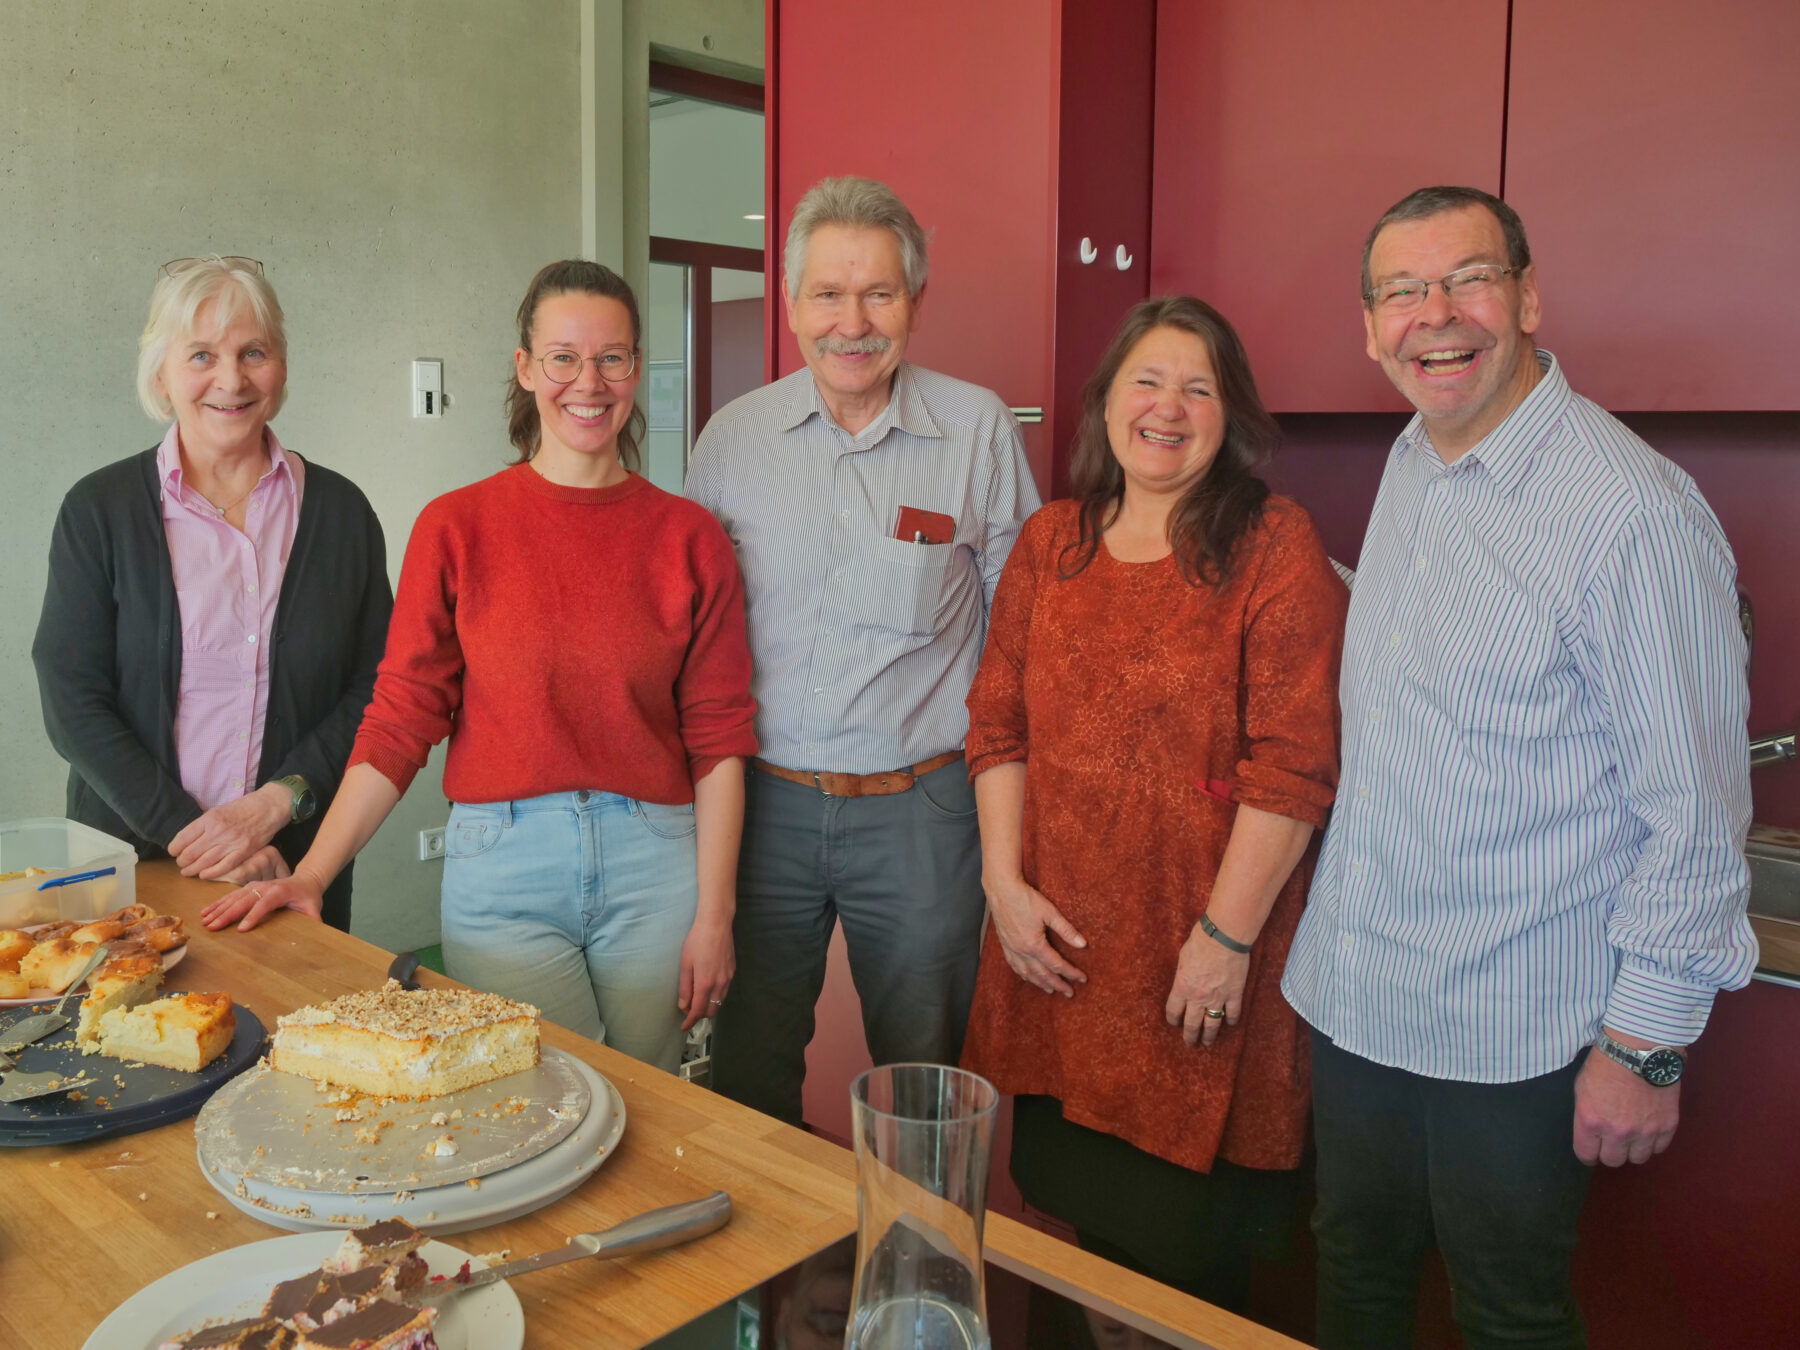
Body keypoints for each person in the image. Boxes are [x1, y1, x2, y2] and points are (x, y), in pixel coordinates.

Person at [1283, 186, 1757, 1349]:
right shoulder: (1414, 457)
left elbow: (1695, 816)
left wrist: (1645, 1045)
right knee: (1352, 1285)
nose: (1435, 315)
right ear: (1369, 326)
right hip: (1357, 1002)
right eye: (1402, 291)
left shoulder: (1630, 515)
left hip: (1512, 1034)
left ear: (1530, 297)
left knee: (1510, 1320)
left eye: (1468, 279)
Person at [203, 260, 758, 1074]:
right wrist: (313, 871)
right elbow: (401, 716)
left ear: (637, 368)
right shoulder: (457, 526)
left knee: (654, 1097)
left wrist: (717, 911)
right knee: (532, 1098)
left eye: (613, 358)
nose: (589, 382)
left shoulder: (688, 537)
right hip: (503, 866)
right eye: (563, 356)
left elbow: (719, 736)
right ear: (526, 367)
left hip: (657, 863)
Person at [957, 295, 1346, 1311]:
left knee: (1191, 1276)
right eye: (1147, 379)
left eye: (1198, 386)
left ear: (1231, 415)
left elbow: (1294, 766)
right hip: (1059, 967)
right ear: (1106, 402)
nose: (1168, 407)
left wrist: (1225, 937)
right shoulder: (1052, 543)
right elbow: (997, 727)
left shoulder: (1274, 546)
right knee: (1079, 1254)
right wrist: (1002, 886)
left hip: (1197, 980)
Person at [684, 176, 1041, 1125]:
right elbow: (692, 635)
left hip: (924, 812)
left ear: (915, 304)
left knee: (926, 1085)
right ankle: (763, 1275)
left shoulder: (975, 429)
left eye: (879, 294)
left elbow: (1025, 625)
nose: (854, 322)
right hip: (767, 810)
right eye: (828, 295)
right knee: (749, 1073)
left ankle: (917, 1268)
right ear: (792, 304)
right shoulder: (731, 442)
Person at [33, 256, 392, 931]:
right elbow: (72, 701)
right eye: (202, 355)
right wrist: (200, 837)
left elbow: (377, 685)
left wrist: (278, 804)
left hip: (286, 874)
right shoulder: (98, 510)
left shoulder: (342, 514)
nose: (231, 379)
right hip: (130, 872)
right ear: (162, 374)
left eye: (253, 351)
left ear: (281, 366)